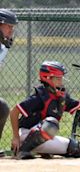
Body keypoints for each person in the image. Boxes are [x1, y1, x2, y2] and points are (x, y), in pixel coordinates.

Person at [9, 61, 80, 159]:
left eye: (61, 78)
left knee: (77, 148)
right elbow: (14, 112)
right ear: (47, 78)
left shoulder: (61, 97)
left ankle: (37, 150)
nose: (61, 82)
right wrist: (16, 137)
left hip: (44, 138)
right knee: (51, 123)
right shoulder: (40, 97)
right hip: (25, 135)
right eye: (57, 78)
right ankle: (23, 151)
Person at [0, 9, 18, 157]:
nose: (11, 30)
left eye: (13, 27)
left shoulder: (3, 47)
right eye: (8, 26)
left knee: (2, 107)